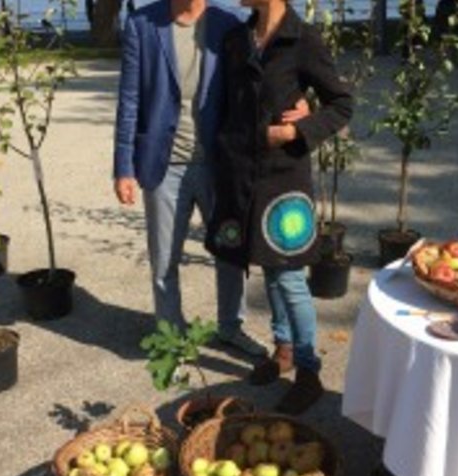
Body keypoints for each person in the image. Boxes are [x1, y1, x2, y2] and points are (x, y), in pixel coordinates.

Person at [113, 0, 306, 355]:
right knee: (164, 260)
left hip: (220, 165)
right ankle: (172, 336)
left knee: (229, 253)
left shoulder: (230, 22)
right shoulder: (142, 24)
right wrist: (123, 166)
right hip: (163, 165)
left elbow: (266, 72)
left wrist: (299, 100)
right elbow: (129, 100)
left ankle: (231, 327)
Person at [205, 0, 353, 414]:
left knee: (288, 276)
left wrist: (295, 130)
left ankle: (309, 371)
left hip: (284, 176)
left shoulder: (303, 39)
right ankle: (283, 348)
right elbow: (228, 105)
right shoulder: (237, 39)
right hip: (243, 173)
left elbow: (342, 104)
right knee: (267, 268)